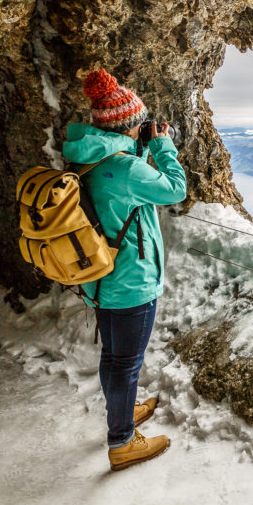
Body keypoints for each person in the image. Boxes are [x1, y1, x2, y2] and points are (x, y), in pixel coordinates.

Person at [62, 69, 187, 471]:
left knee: (113, 358)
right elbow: (174, 188)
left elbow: (121, 184)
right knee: (126, 362)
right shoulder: (127, 169)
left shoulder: (90, 156)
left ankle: (122, 412)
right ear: (129, 125)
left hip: (101, 278)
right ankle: (122, 441)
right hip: (131, 281)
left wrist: (138, 148)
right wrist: (163, 144)